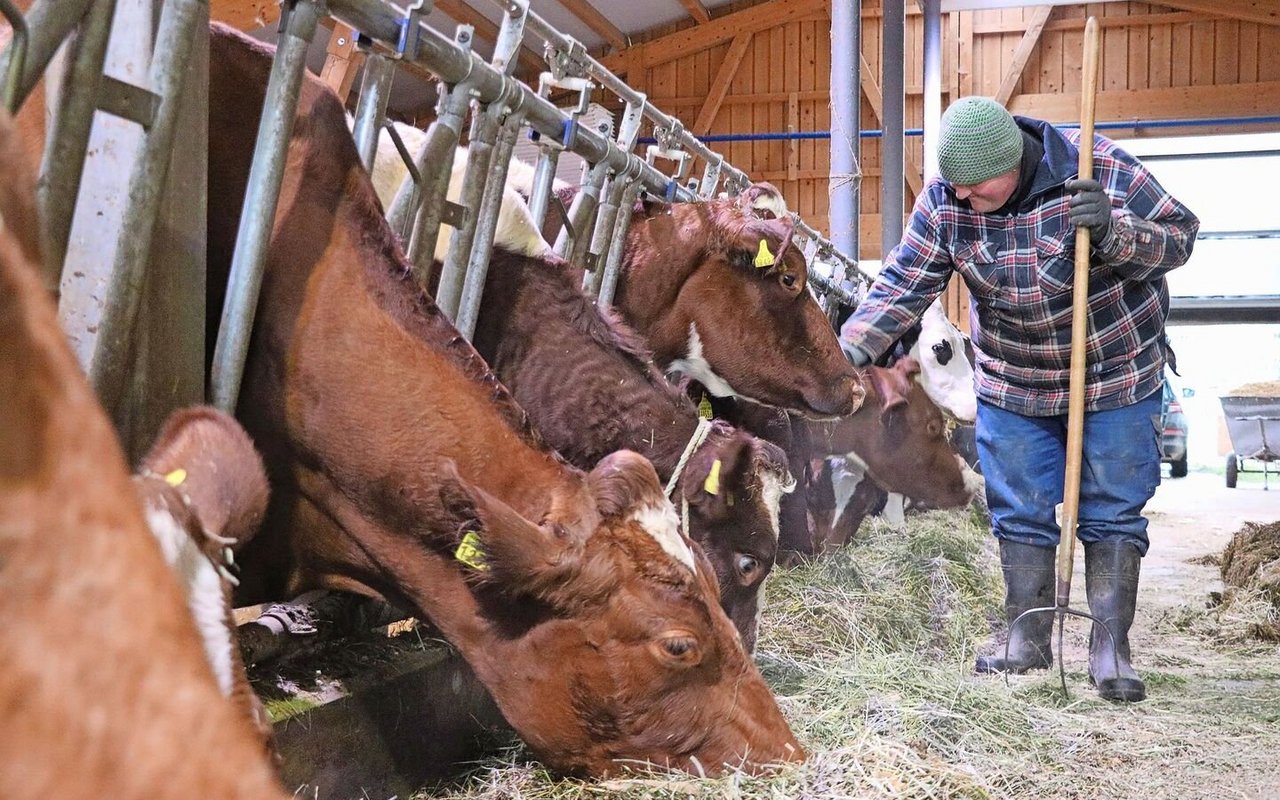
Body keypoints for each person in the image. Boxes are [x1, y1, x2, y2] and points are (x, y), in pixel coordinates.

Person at [840, 96, 1199, 703]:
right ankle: (1026, 637)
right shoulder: (947, 203)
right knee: (1019, 508)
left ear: (1013, 163)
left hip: (1112, 374)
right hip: (1013, 380)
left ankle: (1111, 646)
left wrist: (1116, 232)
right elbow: (903, 282)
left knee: (1113, 508)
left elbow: (1180, 239)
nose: (961, 200)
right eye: (952, 187)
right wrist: (847, 351)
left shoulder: (1099, 168)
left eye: (975, 188)